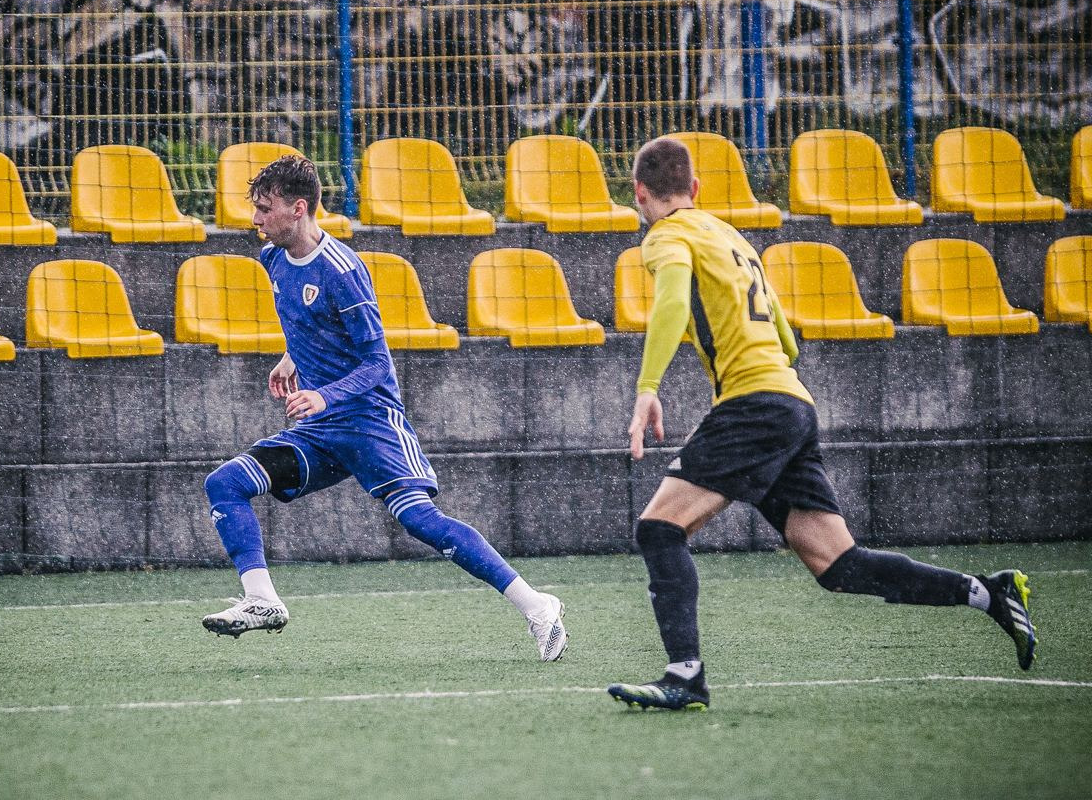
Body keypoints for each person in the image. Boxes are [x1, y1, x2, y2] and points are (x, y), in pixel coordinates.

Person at [606, 137, 1037, 710]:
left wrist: (648, 389)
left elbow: (672, 303)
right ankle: (987, 592)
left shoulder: (666, 237)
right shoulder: (731, 238)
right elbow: (786, 339)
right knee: (838, 565)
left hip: (754, 405)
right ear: (696, 188)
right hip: (792, 404)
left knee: (659, 529)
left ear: (639, 193)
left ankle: (685, 676)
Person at [201, 155, 568, 661]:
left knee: (420, 520)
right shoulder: (273, 258)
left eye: (265, 209)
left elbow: (378, 363)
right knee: (225, 483)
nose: (255, 219)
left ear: (298, 208)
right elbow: (309, 321)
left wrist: (324, 394)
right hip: (320, 431)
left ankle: (537, 605)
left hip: (371, 422)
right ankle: (263, 600)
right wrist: (292, 357)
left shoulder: (343, 271)